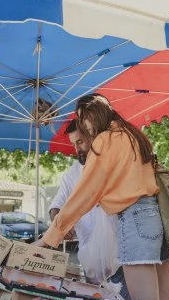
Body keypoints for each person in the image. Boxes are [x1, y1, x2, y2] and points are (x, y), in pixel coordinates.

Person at [34, 94, 169, 300]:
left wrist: (50, 237)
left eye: (83, 120)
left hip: (134, 221)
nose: (85, 127)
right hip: (156, 220)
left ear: (92, 115)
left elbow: (85, 193)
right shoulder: (132, 135)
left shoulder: (105, 140)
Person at [49, 119, 121, 287]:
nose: (77, 149)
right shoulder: (72, 173)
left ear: (92, 137)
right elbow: (56, 205)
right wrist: (59, 221)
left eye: (80, 142)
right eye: (74, 144)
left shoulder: (112, 165)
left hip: (119, 259)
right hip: (89, 261)